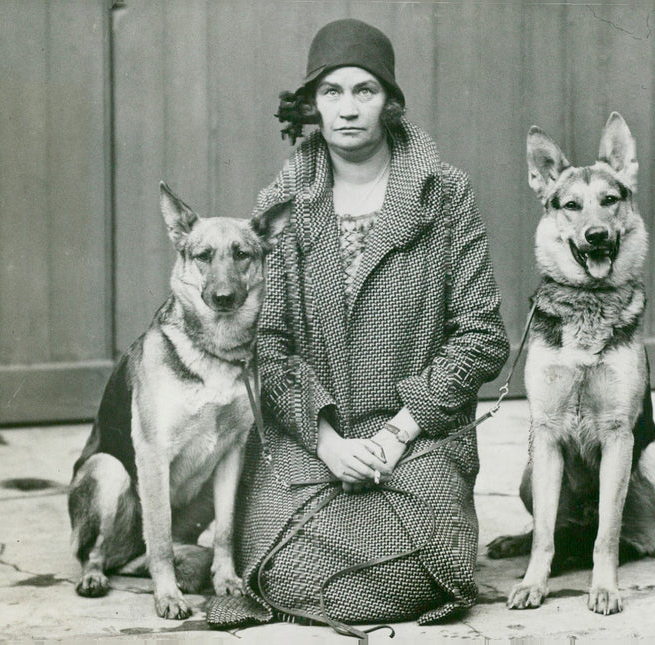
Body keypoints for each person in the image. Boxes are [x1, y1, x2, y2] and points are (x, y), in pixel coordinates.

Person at [217, 18, 509, 633]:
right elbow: (268, 345)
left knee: (431, 562)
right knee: (280, 565)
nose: (348, 109)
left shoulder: (444, 195)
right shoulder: (281, 205)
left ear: (389, 102)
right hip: (308, 440)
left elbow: (481, 335)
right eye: (332, 92)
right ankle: (325, 566)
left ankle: (370, 568)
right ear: (311, 106)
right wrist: (329, 443)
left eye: (365, 91)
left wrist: (399, 433)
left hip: (419, 437)